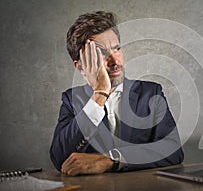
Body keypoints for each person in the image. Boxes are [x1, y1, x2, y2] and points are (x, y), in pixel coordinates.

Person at [49, 11, 184, 176]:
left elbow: (173, 151)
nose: (116, 61)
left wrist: (111, 159)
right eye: (101, 54)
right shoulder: (72, 99)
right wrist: (99, 94)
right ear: (80, 66)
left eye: (117, 49)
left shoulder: (151, 93)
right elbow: (59, 158)